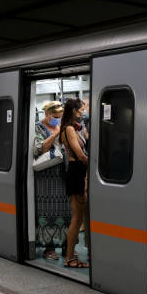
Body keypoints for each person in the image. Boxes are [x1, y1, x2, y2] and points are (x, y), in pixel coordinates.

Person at [33, 101, 67, 261]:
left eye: (60, 117)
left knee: (65, 213)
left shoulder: (63, 126)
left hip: (62, 177)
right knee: (46, 214)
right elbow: (38, 149)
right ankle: (49, 248)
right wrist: (54, 135)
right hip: (45, 179)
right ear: (47, 114)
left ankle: (67, 246)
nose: (57, 120)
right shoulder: (38, 128)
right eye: (55, 117)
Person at [60, 98, 90, 268]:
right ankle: (70, 258)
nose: (83, 112)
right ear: (73, 111)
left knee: (79, 218)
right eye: (81, 110)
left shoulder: (77, 128)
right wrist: (92, 164)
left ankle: (71, 255)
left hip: (79, 171)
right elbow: (80, 155)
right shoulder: (69, 129)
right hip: (76, 172)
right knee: (77, 219)